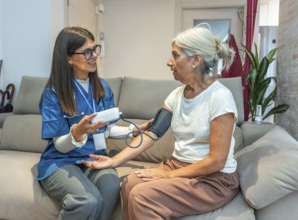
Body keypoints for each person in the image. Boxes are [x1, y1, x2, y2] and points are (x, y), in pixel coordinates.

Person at [82, 23, 239, 220]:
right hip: (179, 165)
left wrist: (168, 176)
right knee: (130, 183)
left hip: (213, 179)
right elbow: (152, 132)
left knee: (142, 197)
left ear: (195, 60)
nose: (168, 62)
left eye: (175, 55)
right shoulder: (177, 95)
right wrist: (114, 160)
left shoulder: (220, 98)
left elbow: (217, 161)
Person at [36, 27, 151, 220]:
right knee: (87, 200)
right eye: (87, 52)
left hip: (94, 157)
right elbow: (59, 146)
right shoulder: (53, 92)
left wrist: (134, 130)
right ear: (68, 58)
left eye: (94, 49)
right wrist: (77, 133)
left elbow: (107, 129)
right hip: (61, 161)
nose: (95, 55)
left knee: (111, 189)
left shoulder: (103, 86)